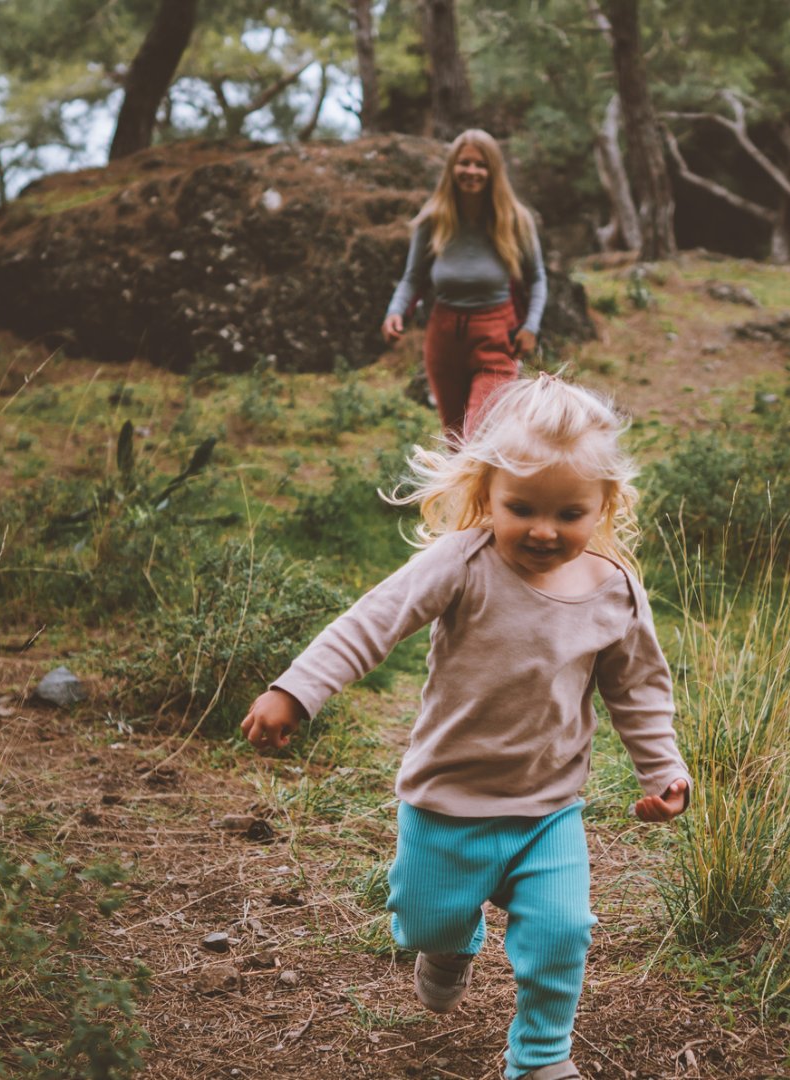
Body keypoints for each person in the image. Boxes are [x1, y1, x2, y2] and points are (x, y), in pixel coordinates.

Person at [240, 374, 691, 1080]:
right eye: (522, 508)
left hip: (548, 809)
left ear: (605, 505)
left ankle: (541, 1057)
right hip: (446, 800)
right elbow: (371, 623)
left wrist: (663, 769)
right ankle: (449, 945)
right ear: (486, 494)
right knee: (427, 920)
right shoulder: (463, 564)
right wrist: (295, 690)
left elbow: (639, 689)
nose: (545, 530)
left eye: (570, 513)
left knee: (562, 931)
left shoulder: (614, 591)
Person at [383, 129, 548, 441]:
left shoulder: (515, 220)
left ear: (493, 171)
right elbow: (413, 278)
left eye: (480, 165)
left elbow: (537, 278)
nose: (472, 171)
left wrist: (531, 326)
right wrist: (395, 312)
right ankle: (470, 493)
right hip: (444, 338)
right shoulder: (434, 220)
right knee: (456, 440)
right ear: (452, 169)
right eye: (464, 163)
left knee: (479, 433)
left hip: (496, 337)